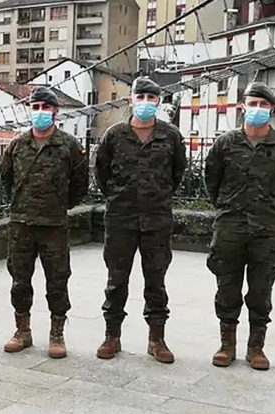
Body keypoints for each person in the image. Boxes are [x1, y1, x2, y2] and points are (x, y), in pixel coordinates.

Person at [205, 82, 275, 371]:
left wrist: (267, 211)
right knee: (227, 287)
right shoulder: (225, 144)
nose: (257, 109)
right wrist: (229, 207)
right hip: (230, 228)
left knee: (261, 290)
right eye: (252, 104)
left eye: (263, 105)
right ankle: (227, 344)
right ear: (242, 107)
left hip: (267, 230)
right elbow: (213, 183)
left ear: (271, 109)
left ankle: (256, 347)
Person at [93, 77, 187, 364]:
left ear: (158, 102)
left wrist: (155, 197)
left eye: (151, 98)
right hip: (120, 219)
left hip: (157, 219)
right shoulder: (114, 135)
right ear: (131, 100)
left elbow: (177, 174)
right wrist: (120, 198)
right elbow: (101, 174)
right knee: (116, 279)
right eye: (140, 97)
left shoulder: (170, 136)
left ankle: (156, 339)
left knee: (156, 280)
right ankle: (112, 335)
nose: (145, 102)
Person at [0, 86, 88, 359]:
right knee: (19, 280)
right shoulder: (17, 145)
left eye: (45, 108)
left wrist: (61, 205)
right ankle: (22, 331)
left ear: (55, 112)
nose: (40, 113)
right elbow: (6, 179)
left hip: (53, 225)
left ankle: (56, 334)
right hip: (21, 224)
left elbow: (80, 183)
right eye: (35, 108)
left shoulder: (69, 145)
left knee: (57, 280)